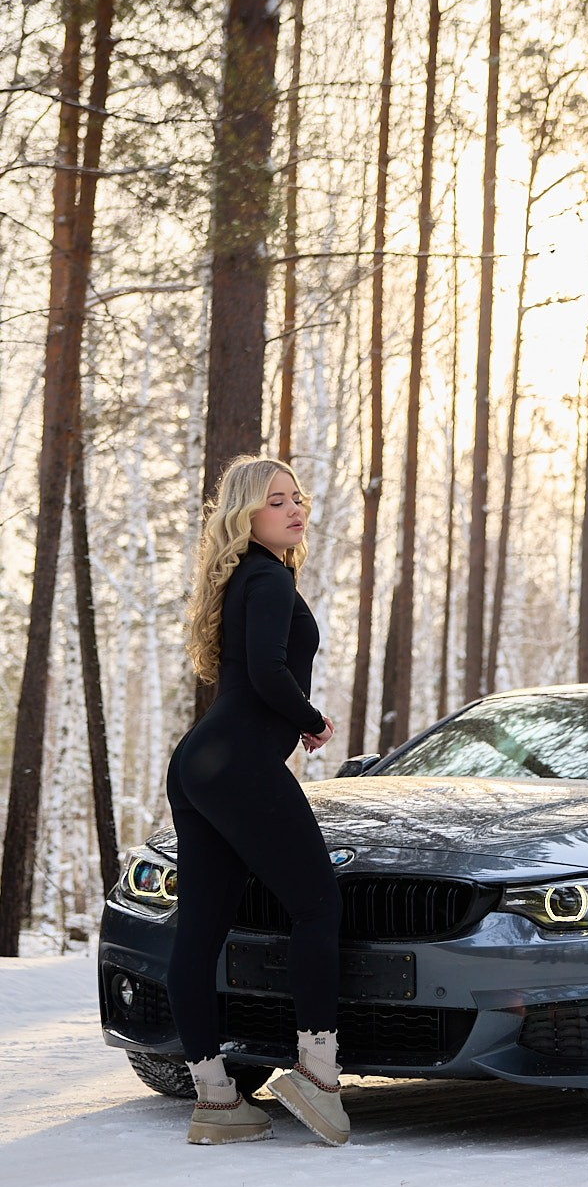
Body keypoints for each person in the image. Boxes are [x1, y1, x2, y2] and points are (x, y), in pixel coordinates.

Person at [165, 454, 348, 1146]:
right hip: (238, 762)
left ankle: (216, 1098)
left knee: (202, 929)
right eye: (277, 500)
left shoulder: (242, 576)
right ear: (247, 514)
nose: (295, 509)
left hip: (200, 764)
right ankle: (318, 1074)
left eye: (297, 497)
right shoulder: (266, 577)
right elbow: (270, 671)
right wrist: (310, 717)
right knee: (318, 904)